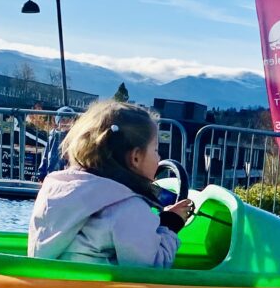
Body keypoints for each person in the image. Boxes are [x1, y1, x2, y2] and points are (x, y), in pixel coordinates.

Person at [28, 100, 195, 268]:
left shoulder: (56, 191)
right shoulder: (129, 208)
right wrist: (169, 226)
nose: (159, 158)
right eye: (156, 150)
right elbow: (151, 269)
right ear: (136, 157)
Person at [37, 106, 76, 181]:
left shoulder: (74, 136)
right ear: (58, 121)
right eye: (63, 120)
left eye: (69, 120)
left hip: (69, 175)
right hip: (53, 173)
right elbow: (46, 154)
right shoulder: (53, 135)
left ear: (73, 121)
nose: (66, 122)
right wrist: (41, 173)